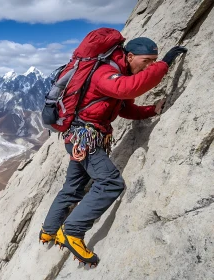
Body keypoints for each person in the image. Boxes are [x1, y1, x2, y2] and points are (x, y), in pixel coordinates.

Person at [39, 37, 187, 267]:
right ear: (129, 56)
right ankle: (72, 231)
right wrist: (164, 64)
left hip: (82, 138)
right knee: (110, 183)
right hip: (85, 138)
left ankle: (49, 231)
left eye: (153, 61)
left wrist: (151, 110)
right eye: (146, 60)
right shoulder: (105, 73)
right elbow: (128, 88)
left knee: (74, 186)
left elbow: (125, 107)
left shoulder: (118, 74)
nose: (149, 66)